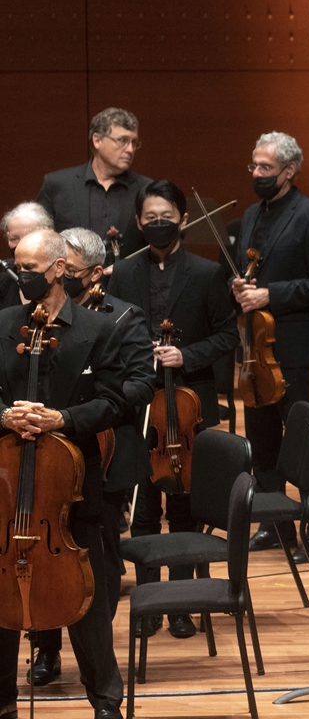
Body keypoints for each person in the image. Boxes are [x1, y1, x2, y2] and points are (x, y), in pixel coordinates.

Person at [0, 230, 126, 719]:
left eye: (29, 267)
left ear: (57, 269)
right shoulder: (3, 325)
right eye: (16, 266)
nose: (20, 275)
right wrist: (5, 416)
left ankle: (106, 702)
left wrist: (62, 419)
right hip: (9, 489)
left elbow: (114, 401)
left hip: (71, 489)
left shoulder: (97, 330)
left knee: (88, 602)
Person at [27, 227, 157, 686]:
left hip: (106, 449)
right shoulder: (35, 319)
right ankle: (45, 650)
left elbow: (141, 383)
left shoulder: (122, 318)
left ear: (94, 273)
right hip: (45, 450)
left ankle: (97, 666)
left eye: (73, 268)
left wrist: (94, 402)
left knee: (92, 563)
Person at [108, 180, 240, 631]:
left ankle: (182, 604)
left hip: (190, 407)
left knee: (183, 507)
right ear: (140, 223)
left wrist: (187, 355)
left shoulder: (206, 273)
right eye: (149, 219)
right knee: (144, 509)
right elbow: (112, 331)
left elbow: (228, 336)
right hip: (141, 401)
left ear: (183, 220)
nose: (157, 224)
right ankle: (148, 603)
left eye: (166, 217)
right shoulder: (124, 273)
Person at [237, 132, 309, 562]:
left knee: (306, 440)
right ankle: (274, 525)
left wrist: (270, 295)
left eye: (265, 168)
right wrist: (239, 286)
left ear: (289, 170)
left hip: (294, 350)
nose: (258, 175)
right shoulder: (249, 214)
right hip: (254, 350)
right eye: (255, 167)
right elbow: (250, 269)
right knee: (261, 442)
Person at [36, 108, 153, 260]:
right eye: (122, 141)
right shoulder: (58, 184)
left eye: (134, 142)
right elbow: (38, 238)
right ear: (97, 140)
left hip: (127, 281)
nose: (130, 149)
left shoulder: (146, 189)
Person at [0, 202, 55, 308]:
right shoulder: (3, 277)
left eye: (29, 236)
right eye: (14, 239)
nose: (21, 244)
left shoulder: (63, 275)